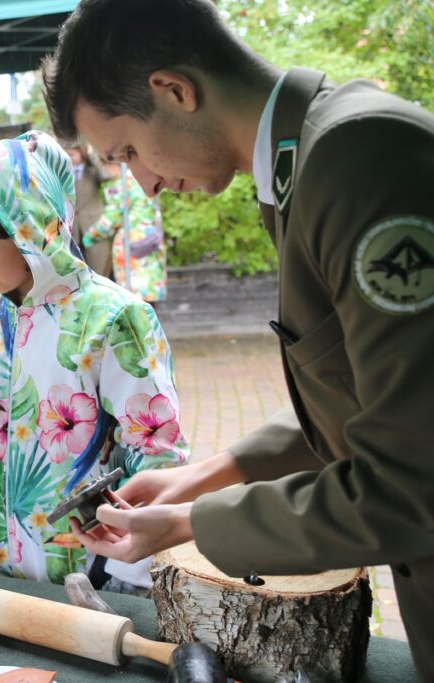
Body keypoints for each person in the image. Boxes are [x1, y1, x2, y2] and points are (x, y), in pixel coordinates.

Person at [41, 0, 434, 675]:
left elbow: (411, 481)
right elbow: (366, 403)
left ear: (174, 90)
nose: (145, 185)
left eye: (128, 150)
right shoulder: (307, 162)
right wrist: (202, 474)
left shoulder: (357, 158)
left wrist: (193, 520)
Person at [0, 132, 188, 591]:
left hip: (87, 573)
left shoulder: (115, 318)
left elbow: (159, 456)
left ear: (32, 226)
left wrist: (128, 578)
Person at [86, 164, 168, 304]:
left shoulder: (124, 182)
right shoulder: (147, 177)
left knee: (132, 293)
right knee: (149, 290)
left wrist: (89, 236)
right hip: (151, 237)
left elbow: (111, 219)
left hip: (132, 243)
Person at [66, 144, 110, 277]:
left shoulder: (92, 171)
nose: (69, 157)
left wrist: (91, 155)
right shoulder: (63, 173)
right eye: (66, 154)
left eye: (72, 154)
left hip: (94, 228)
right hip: (73, 233)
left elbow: (106, 175)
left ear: (81, 153)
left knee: (99, 271)